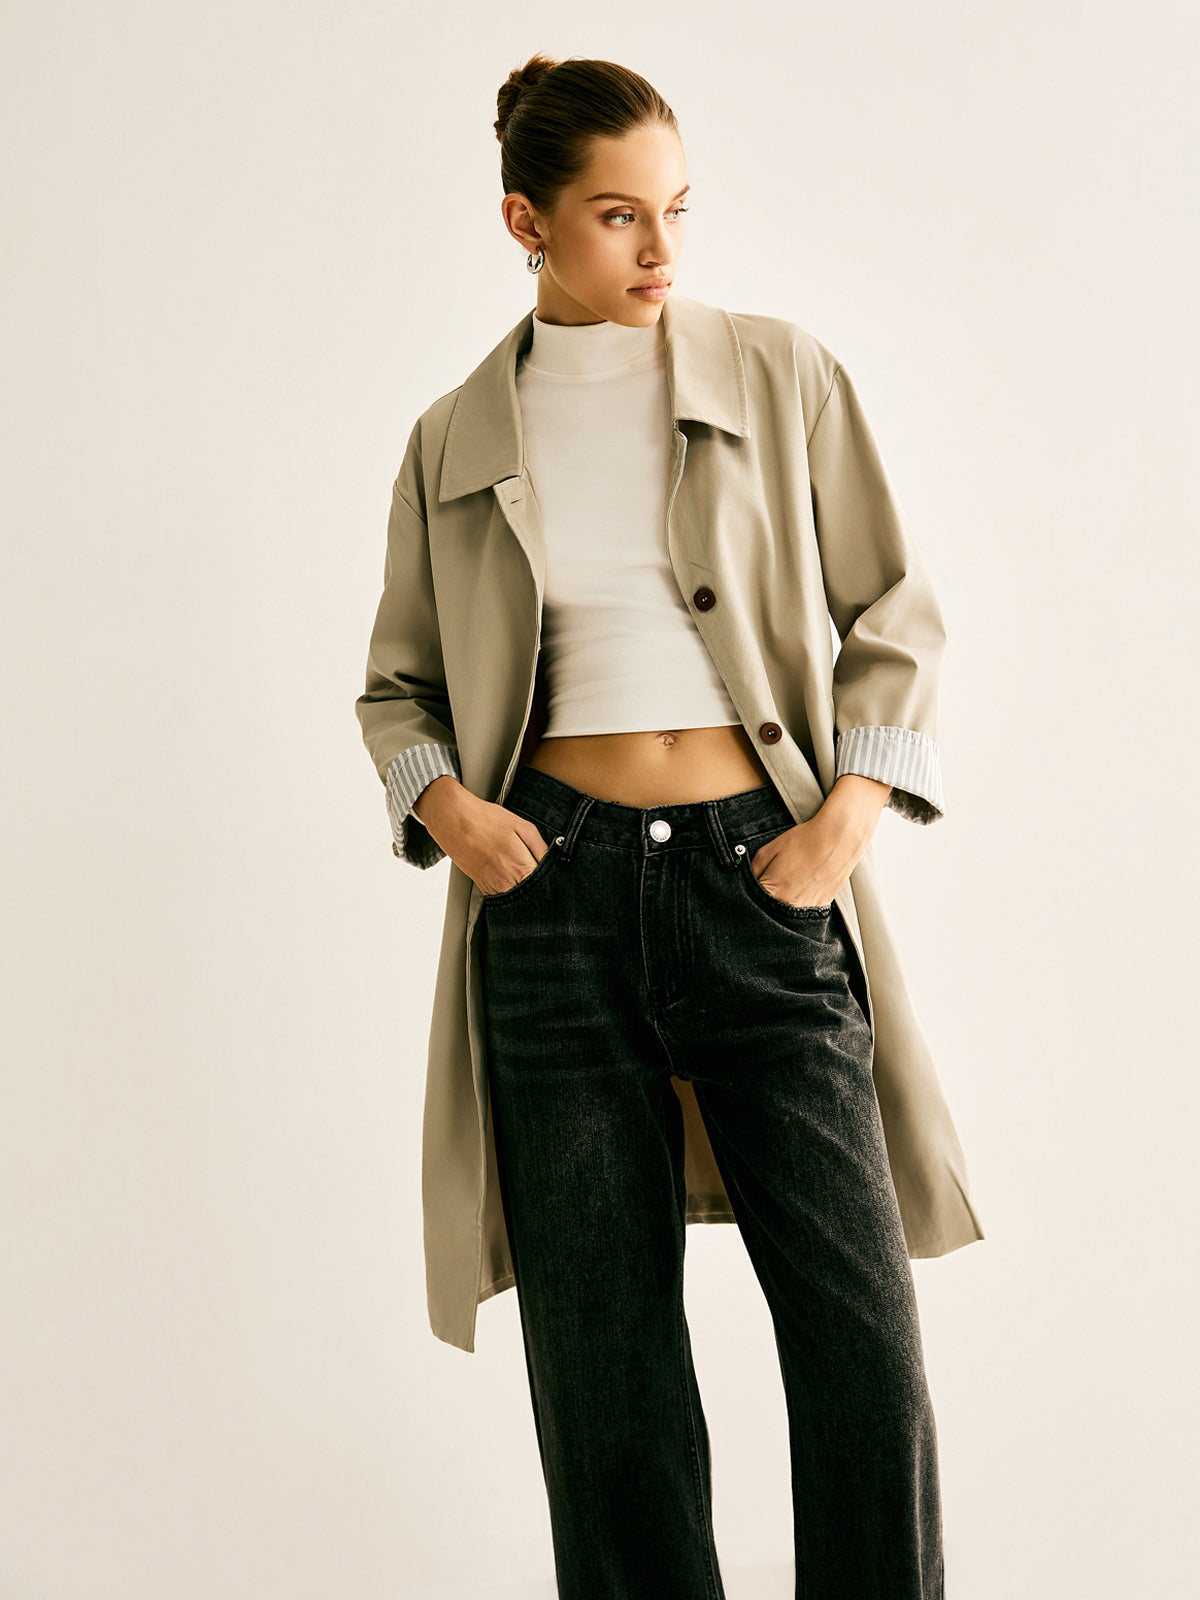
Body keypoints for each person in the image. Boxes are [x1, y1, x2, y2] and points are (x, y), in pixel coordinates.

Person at [356, 50, 983, 1600]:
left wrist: (846, 821)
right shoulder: (454, 437)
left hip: (759, 882)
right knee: (604, 1370)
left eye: (678, 209)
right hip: (551, 907)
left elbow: (893, 611)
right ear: (527, 221)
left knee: (860, 1344)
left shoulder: (780, 374)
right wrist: (452, 810)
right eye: (618, 215)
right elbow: (396, 687)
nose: (660, 248)